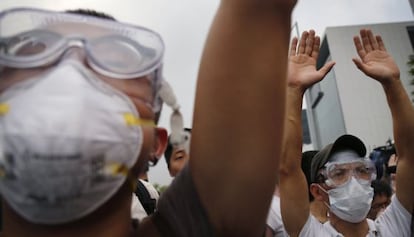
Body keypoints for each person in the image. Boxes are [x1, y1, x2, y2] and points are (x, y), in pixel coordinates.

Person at [0, 1, 297, 236]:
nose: (70, 76)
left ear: (157, 143)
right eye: (36, 56)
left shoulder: (201, 223)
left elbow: (259, 7)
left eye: (115, 64)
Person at [279, 28, 413, 236]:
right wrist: (294, 90)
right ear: (318, 191)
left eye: (362, 170)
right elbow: (288, 169)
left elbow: (410, 156)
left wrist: (392, 84)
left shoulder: (393, 226)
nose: (354, 181)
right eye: (339, 173)